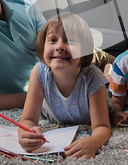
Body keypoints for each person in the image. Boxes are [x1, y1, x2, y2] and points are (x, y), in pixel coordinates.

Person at [18, 12, 111, 159]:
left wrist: (94, 141)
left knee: (109, 84)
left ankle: (108, 70)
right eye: (53, 40)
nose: (60, 46)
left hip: (103, 96)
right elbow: (28, 120)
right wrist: (26, 133)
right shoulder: (39, 72)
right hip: (53, 113)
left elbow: (102, 127)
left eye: (70, 40)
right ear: (43, 47)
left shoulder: (93, 77)